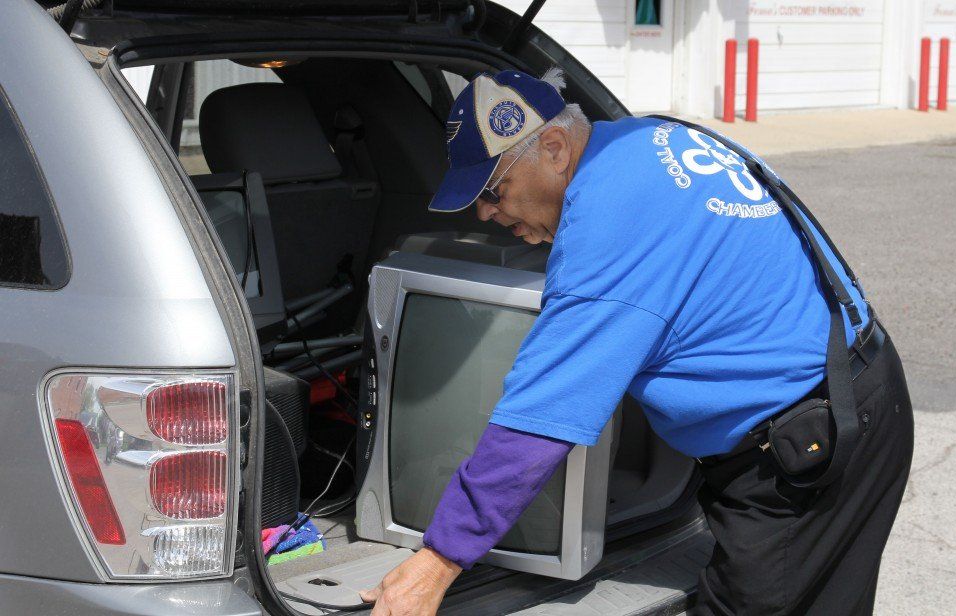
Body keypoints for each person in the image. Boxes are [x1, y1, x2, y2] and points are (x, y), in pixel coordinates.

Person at [359, 68, 914, 616]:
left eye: (493, 190)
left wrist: (437, 562)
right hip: (850, 391)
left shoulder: (609, 223)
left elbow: (540, 417)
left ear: (554, 147)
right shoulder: (645, 138)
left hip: (810, 449)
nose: (485, 213)